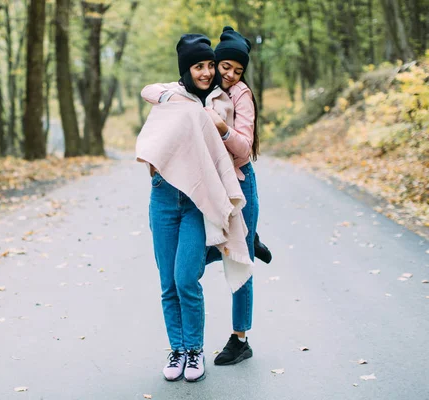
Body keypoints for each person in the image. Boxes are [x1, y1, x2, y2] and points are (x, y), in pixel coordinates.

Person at [140, 26, 271, 367]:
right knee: (187, 268)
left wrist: (221, 126)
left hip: (238, 181)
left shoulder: (235, 96)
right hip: (200, 189)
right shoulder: (194, 91)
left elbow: (242, 151)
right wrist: (166, 97)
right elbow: (152, 89)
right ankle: (243, 238)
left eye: (234, 70)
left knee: (238, 256)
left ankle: (240, 337)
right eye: (221, 65)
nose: (225, 74)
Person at [142, 33, 226, 383]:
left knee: (185, 278)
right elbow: (150, 90)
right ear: (186, 69)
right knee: (167, 283)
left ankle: (195, 350)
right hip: (163, 197)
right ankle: (177, 349)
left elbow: (227, 142)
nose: (206, 72)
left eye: (209, 65)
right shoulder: (172, 96)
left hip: (195, 202)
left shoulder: (218, 101)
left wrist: (215, 123)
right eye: (198, 66)